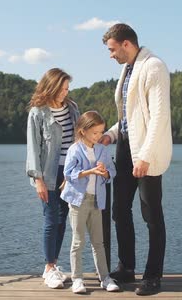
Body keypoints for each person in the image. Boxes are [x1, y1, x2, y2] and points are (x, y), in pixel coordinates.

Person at [99, 23, 172, 296]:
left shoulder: (154, 66)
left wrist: (145, 156)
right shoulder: (127, 69)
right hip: (126, 148)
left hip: (146, 153)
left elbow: (158, 117)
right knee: (120, 210)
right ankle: (127, 268)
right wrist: (110, 135)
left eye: (112, 49)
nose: (111, 55)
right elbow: (131, 118)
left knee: (151, 214)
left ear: (126, 44)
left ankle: (153, 277)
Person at [26, 68, 79, 289]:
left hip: (70, 173)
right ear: (51, 87)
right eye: (62, 88)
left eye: (67, 89)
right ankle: (49, 268)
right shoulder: (38, 113)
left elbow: (79, 139)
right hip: (48, 174)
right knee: (51, 219)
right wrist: (37, 179)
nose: (65, 93)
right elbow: (33, 149)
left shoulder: (73, 109)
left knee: (63, 218)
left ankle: (54, 265)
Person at [60, 111, 120, 294]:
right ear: (83, 131)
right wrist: (91, 171)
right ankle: (78, 279)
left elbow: (112, 171)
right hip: (79, 201)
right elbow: (69, 174)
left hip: (97, 200)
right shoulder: (75, 150)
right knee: (78, 242)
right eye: (95, 133)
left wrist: (105, 172)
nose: (99, 136)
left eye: (101, 132)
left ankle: (105, 278)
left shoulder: (102, 149)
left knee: (98, 242)